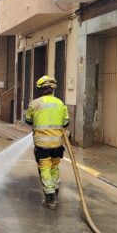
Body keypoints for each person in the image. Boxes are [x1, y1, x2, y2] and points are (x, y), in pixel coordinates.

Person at [25, 75, 69, 210]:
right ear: (52, 89)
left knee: (44, 168)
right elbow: (66, 122)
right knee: (54, 167)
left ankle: (50, 199)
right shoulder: (60, 103)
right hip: (57, 144)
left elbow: (28, 121)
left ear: (40, 89)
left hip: (42, 145)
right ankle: (55, 191)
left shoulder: (35, 104)